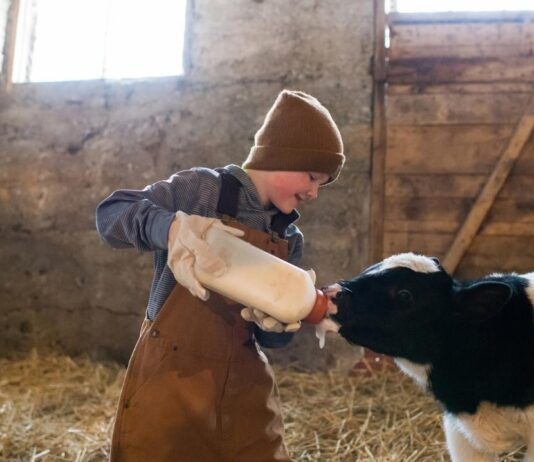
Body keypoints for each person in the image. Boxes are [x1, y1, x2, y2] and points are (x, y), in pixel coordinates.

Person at [95, 89, 345, 462]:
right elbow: (111, 214)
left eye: (321, 184)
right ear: (279, 155)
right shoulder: (202, 189)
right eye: (311, 176)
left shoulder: (288, 237)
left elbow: (269, 341)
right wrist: (171, 229)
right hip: (172, 375)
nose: (313, 193)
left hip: (243, 382)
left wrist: (276, 327)